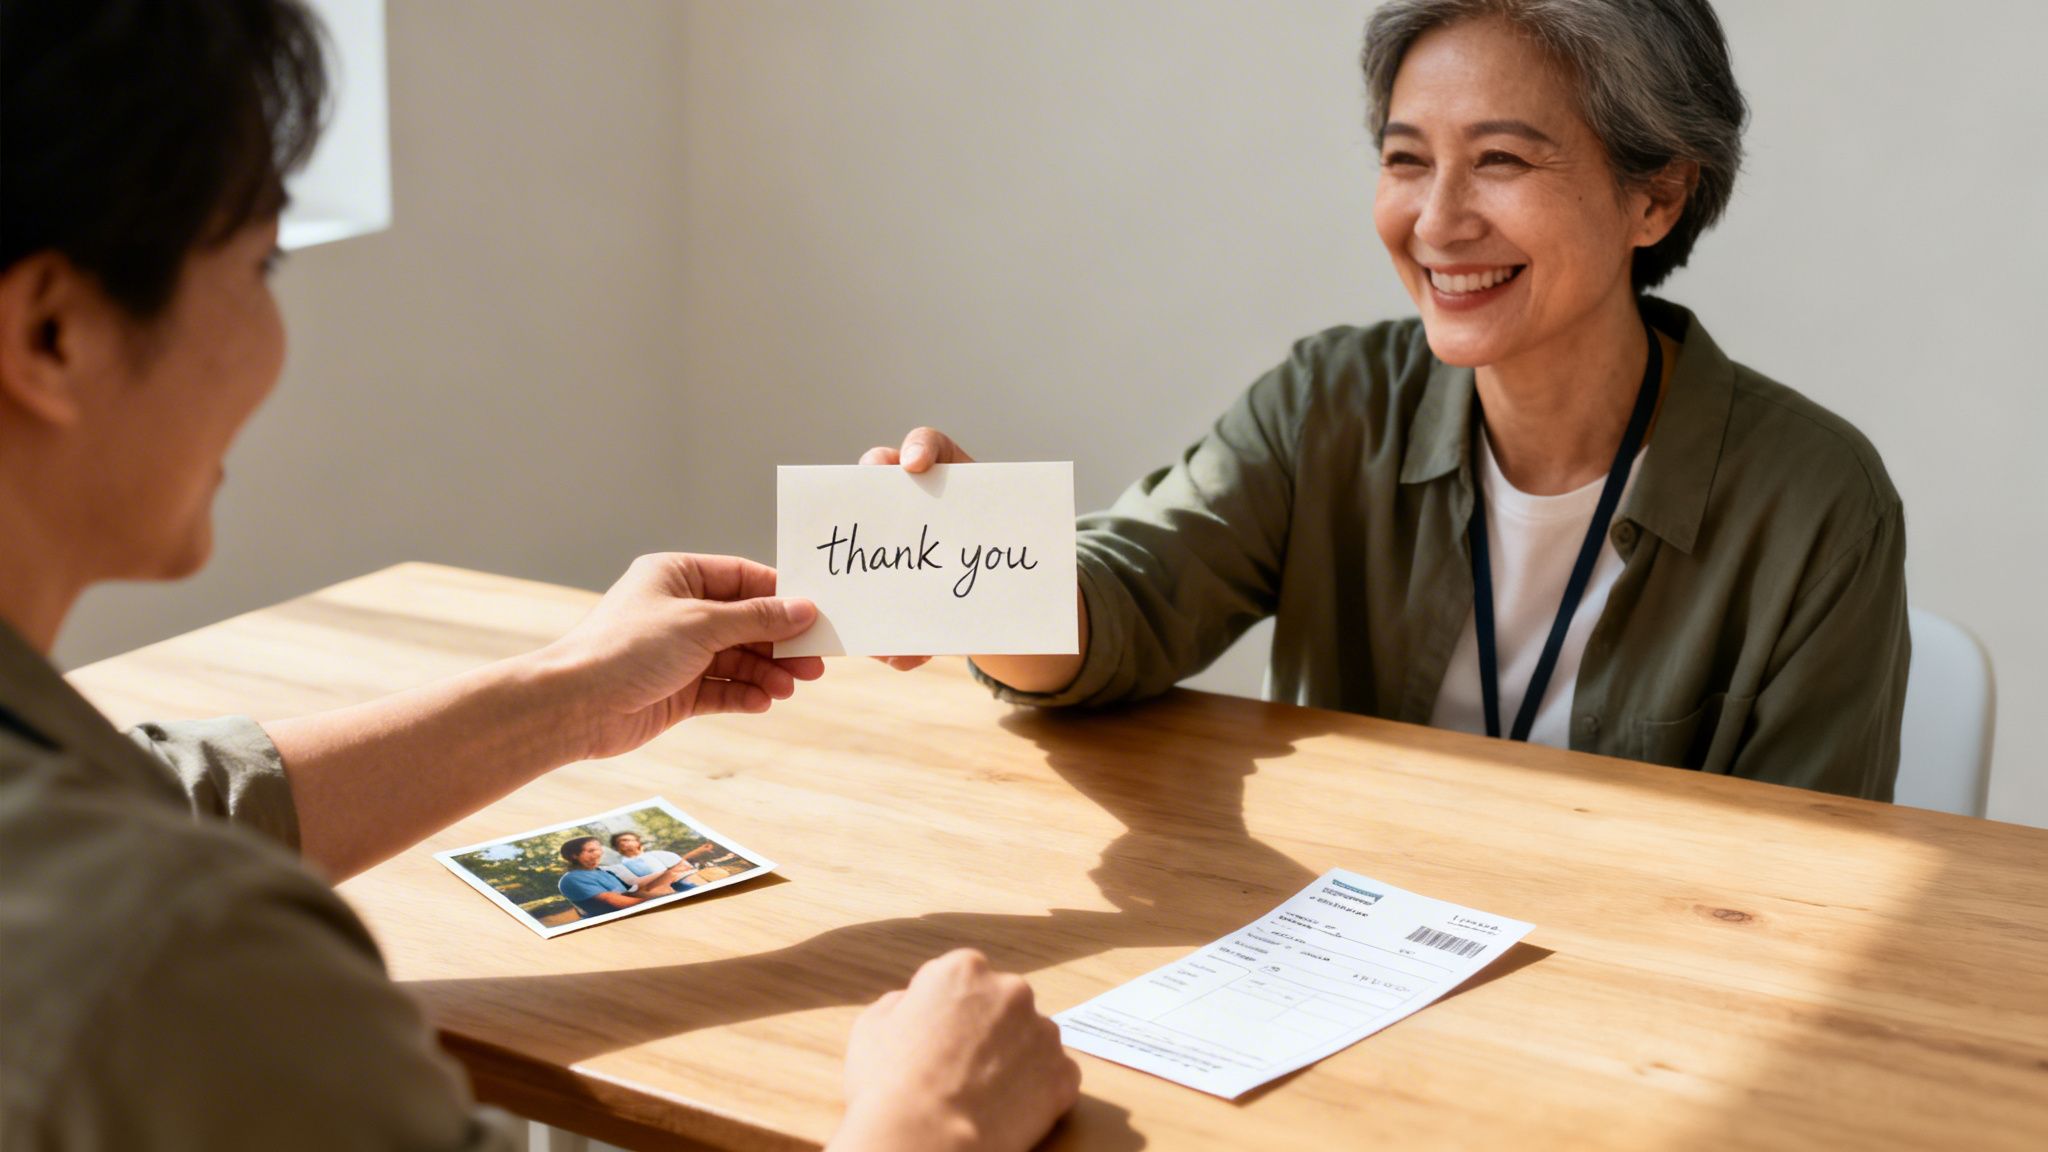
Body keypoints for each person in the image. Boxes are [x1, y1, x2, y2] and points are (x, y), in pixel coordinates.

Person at [0, 2, 1079, 1149]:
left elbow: (160, 798)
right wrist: (933, 1116)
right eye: (261, 260)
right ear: (53, 333)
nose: (279, 337)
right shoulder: (178, 965)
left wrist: (568, 694)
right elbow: (158, 891)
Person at [868, 0, 1908, 799]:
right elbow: (1130, 599)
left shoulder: (1815, 502)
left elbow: (1808, 888)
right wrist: (971, 565)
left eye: (1499, 160)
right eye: (1406, 161)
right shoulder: (1329, 403)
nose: (1437, 222)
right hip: (1342, 977)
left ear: (1656, 195)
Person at [559, 835, 687, 914]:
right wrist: (667, 901)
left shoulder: (603, 870)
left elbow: (633, 888)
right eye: (591, 850)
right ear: (574, 856)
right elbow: (618, 902)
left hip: (636, 907)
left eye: (598, 849)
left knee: (674, 874)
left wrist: (669, 872)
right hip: (624, 919)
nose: (598, 853)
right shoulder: (572, 879)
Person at [604, 829, 708, 893]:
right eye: (620, 841)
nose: (623, 843)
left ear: (638, 842)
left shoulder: (658, 854)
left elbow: (685, 868)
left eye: (627, 840)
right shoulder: (617, 866)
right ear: (616, 847)